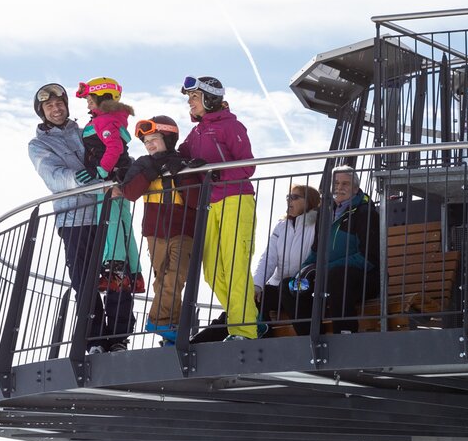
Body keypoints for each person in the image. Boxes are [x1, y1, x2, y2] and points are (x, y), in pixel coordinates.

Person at [27, 83, 125, 355]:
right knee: (85, 280)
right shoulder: (39, 144)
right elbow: (54, 177)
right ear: (42, 112)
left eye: (60, 103)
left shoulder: (86, 131)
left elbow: (113, 152)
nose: (56, 109)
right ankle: (95, 340)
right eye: (49, 106)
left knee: (118, 274)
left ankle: (118, 338)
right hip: (75, 219)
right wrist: (86, 182)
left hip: (107, 212)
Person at [177, 75, 260, 341]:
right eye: (189, 98)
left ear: (209, 98)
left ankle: (244, 331)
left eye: (194, 97)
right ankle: (251, 318)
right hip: (211, 204)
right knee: (212, 272)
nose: (190, 102)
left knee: (235, 266)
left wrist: (216, 173)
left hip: (236, 199)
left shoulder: (230, 126)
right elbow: (182, 154)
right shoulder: (198, 131)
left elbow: (247, 165)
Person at [73, 77, 141, 352]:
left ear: (103, 98)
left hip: (109, 186)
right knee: (115, 230)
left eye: (90, 98)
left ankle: (116, 267)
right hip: (109, 186)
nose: (87, 103)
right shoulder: (106, 119)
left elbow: (114, 148)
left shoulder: (105, 121)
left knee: (113, 233)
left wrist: (100, 172)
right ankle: (110, 334)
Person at [119, 116, 196, 345]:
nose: (149, 145)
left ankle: (158, 321)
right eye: (145, 142)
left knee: (177, 276)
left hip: (183, 229)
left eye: (153, 139)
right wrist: (150, 171)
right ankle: (171, 330)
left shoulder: (184, 163)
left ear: (169, 138)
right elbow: (130, 193)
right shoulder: (143, 164)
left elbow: (195, 200)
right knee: (162, 279)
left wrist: (181, 174)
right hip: (155, 231)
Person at [290, 167, 380, 335]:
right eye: (336, 183)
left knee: (337, 275)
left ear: (355, 188)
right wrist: (303, 271)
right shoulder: (325, 213)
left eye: (345, 184)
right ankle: (309, 337)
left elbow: (369, 258)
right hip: (329, 277)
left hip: (365, 279)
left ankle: (345, 333)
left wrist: (326, 269)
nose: (339, 187)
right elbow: (316, 250)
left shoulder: (365, 213)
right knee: (291, 285)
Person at [253, 184, 320, 334]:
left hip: (305, 284)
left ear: (309, 201)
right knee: (255, 295)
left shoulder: (317, 224)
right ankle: (265, 335)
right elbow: (268, 257)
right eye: (288, 196)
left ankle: (306, 335)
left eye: (294, 197)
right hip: (281, 286)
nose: (289, 200)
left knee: (287, 286)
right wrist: (257, 284)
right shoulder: (281, 226)